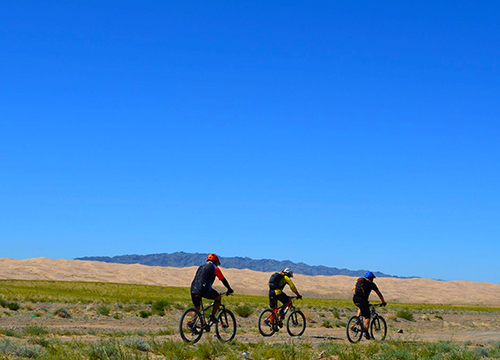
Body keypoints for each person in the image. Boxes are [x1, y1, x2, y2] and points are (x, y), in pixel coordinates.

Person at [190, 253, 234, 324]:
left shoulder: (201, 267)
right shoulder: (215, 268)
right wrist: (229, 289)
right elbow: (223, 280)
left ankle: (192, 324)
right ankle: (212, 316)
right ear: (216, 262)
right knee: (218, 298)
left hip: (193, 289)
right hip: (204, 289)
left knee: (197, 307)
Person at [352, 271, 387, 339]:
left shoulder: (361, 281)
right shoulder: (371, 284)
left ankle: (357, 319)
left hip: (355, 298)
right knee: (367, 316)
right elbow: (379, 293)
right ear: (371, 278)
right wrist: (383, 302)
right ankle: (366, 333)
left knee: (361, 307)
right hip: (363, 300)